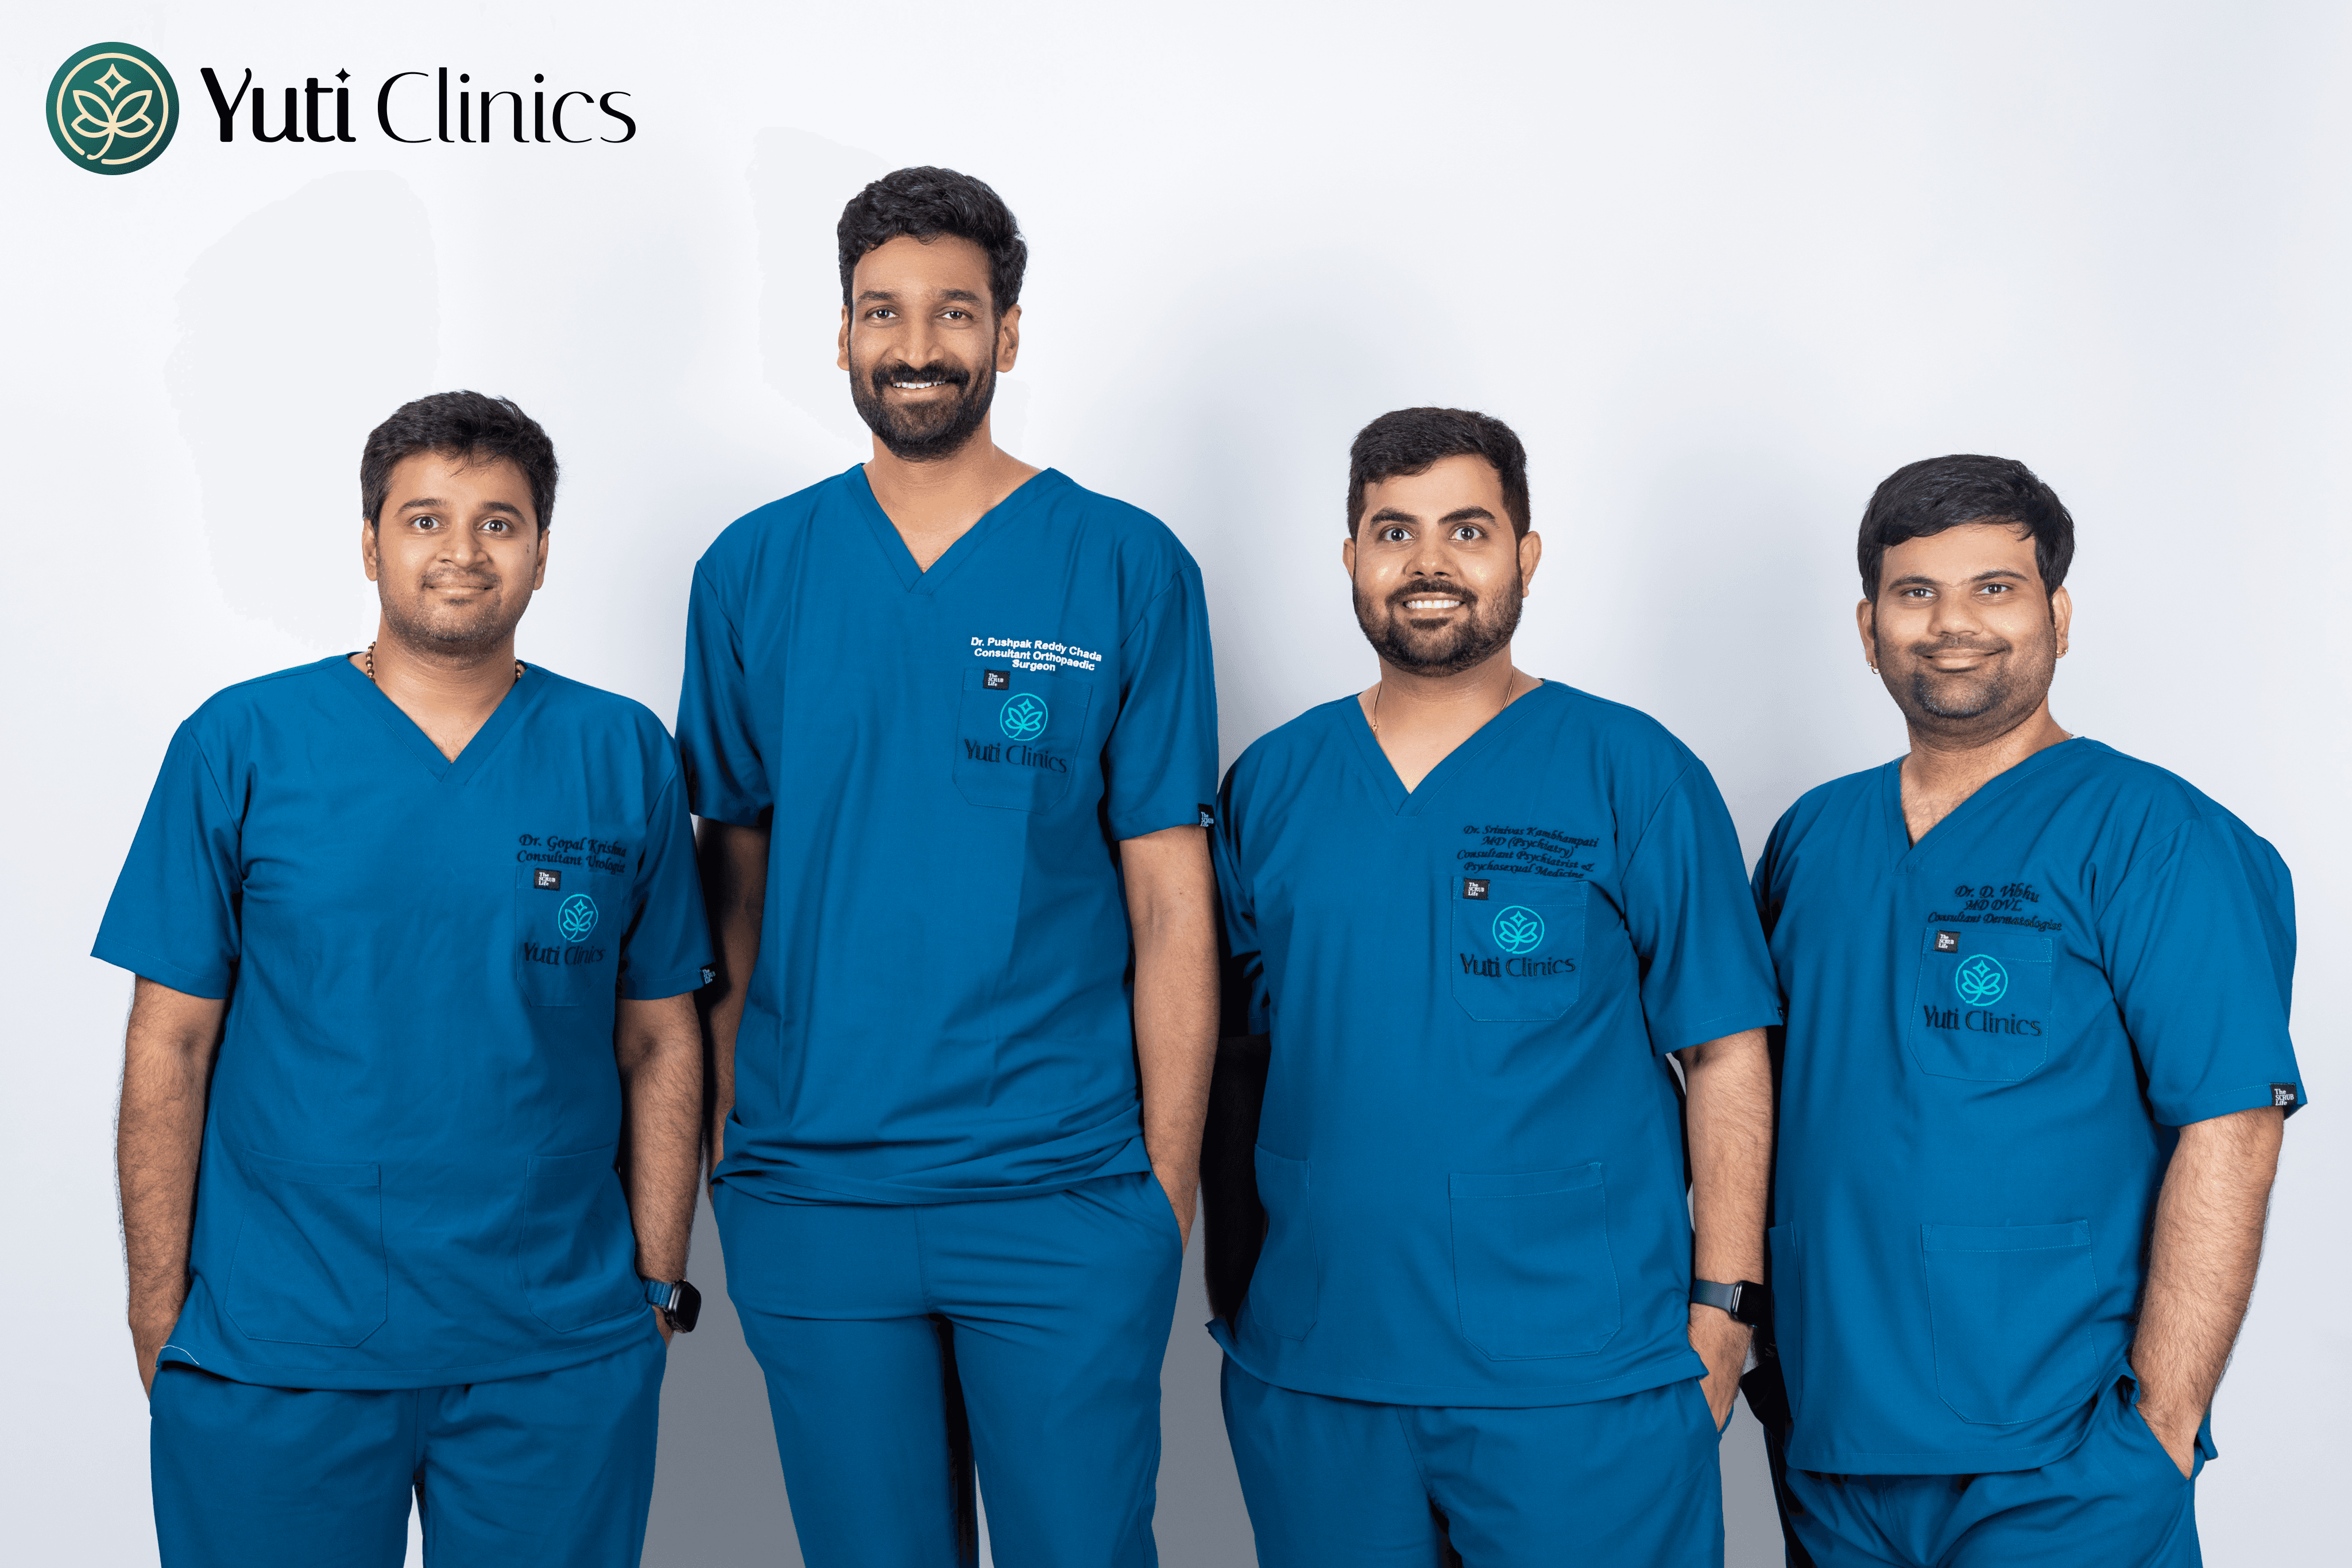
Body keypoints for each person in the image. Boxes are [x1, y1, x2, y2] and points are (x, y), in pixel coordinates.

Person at [680, 167, 1220, 1567]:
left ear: (1009, 333)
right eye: (882, 311)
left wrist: (1158, 1196)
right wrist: (741, 1148)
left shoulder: (1124, 565)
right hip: (814, 1195)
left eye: (954, 311)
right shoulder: (752, 571)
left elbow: (1171, 903)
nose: (915, 345)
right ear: (841, 333)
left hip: (1059, 1188)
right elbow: (726, 885)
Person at [98, 391, 710, 1568]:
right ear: (370, 544)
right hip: (281, 1347)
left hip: (557, 1348)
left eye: (498, 522)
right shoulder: (240, 744)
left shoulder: (619, 750)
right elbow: (168, 1042)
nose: (461, 551)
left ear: (542, 552)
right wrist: (157, 1311)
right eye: (425, 519)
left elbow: (659, 1037)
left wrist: (653, 1286)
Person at [1202, 407, 1781, 1567]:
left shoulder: (1633, 772)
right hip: (1320, 1372)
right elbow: (1233, 1055)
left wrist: (1725, 1313)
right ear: (1351, 557)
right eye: (1393, 532)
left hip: (1583, 1382)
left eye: (1466, 530)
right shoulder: (1272, 784)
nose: (1428, 563)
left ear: (1525, 554)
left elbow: (1724, 1049)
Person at [1747, 454, 2303, 1567]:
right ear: (1867, 628)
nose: (1952, 624)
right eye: (1915, 592)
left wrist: (2161, 1427)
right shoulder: (1813, 837)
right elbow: (1753, 1099)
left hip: (2061, 1460)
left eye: (1993, 588)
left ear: (2057, 614)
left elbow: (2233, 1125)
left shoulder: (2155, 837)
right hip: (1832, 1448)